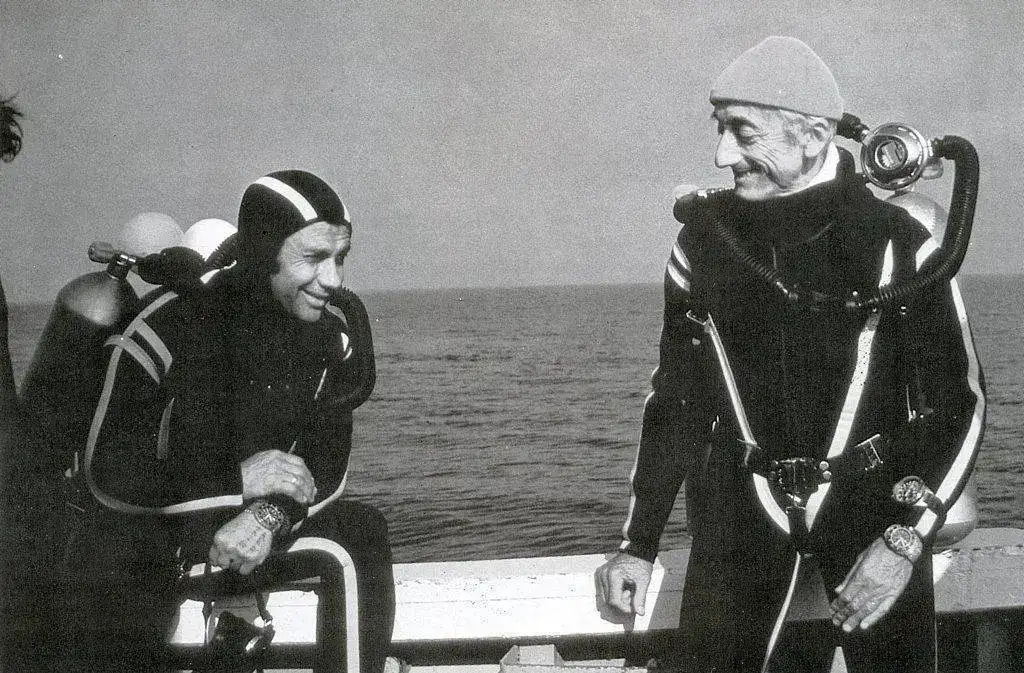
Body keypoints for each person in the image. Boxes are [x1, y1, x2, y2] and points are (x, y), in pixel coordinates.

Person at [595, 37, 984, 673]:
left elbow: (960, 401)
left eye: (743, 133)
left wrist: (903, 540)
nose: (722, 155)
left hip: (871, 508)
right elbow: (677, 401)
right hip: (741, 507)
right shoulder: (704, 242)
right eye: (720, 130)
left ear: (812, 136)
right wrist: (637, 544)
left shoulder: (898, 238)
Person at [60, 170, 395, 673]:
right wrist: (236, 482)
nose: (333, 280)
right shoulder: (168, 326)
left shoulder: (327, 336)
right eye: (313, 258)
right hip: (147, 543)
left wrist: (267, 516)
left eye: (339, 258)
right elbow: (107, 473)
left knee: (361, 534)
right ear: (264, 252)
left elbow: (326, 464)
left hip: (250, 530)